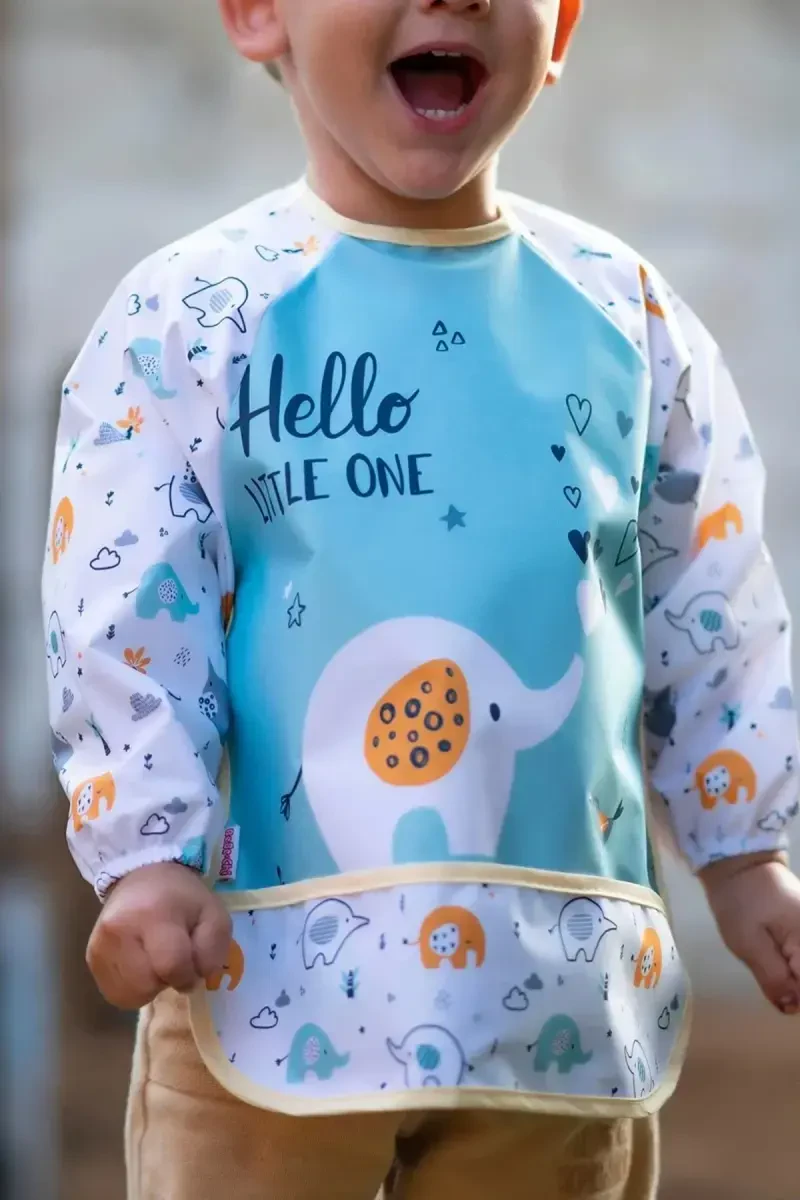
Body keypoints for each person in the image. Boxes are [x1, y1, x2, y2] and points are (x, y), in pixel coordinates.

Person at [42, 2, 800, 1197]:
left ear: (562, 27)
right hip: (265, 977)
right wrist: (145, 851)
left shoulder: (626, 317)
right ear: (257, 14)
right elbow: (131, 608)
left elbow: (706, 598)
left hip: (558, 993)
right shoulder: (190, 316)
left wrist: (744, 848)